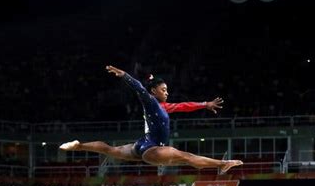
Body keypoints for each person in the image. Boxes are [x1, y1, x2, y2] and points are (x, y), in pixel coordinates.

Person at [59, 65, 243, 174]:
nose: (167, 92)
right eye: (163, 89)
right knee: (187, 157)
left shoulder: (163, 107)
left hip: (142, 146)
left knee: (110, 149)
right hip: (153, 148)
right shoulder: (151, 102)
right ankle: (223, 164)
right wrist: (124, 75)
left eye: (167, 90)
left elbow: (184, 106)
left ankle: (78, 145)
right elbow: (139, 88)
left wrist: (205, 104)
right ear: (154, 91)